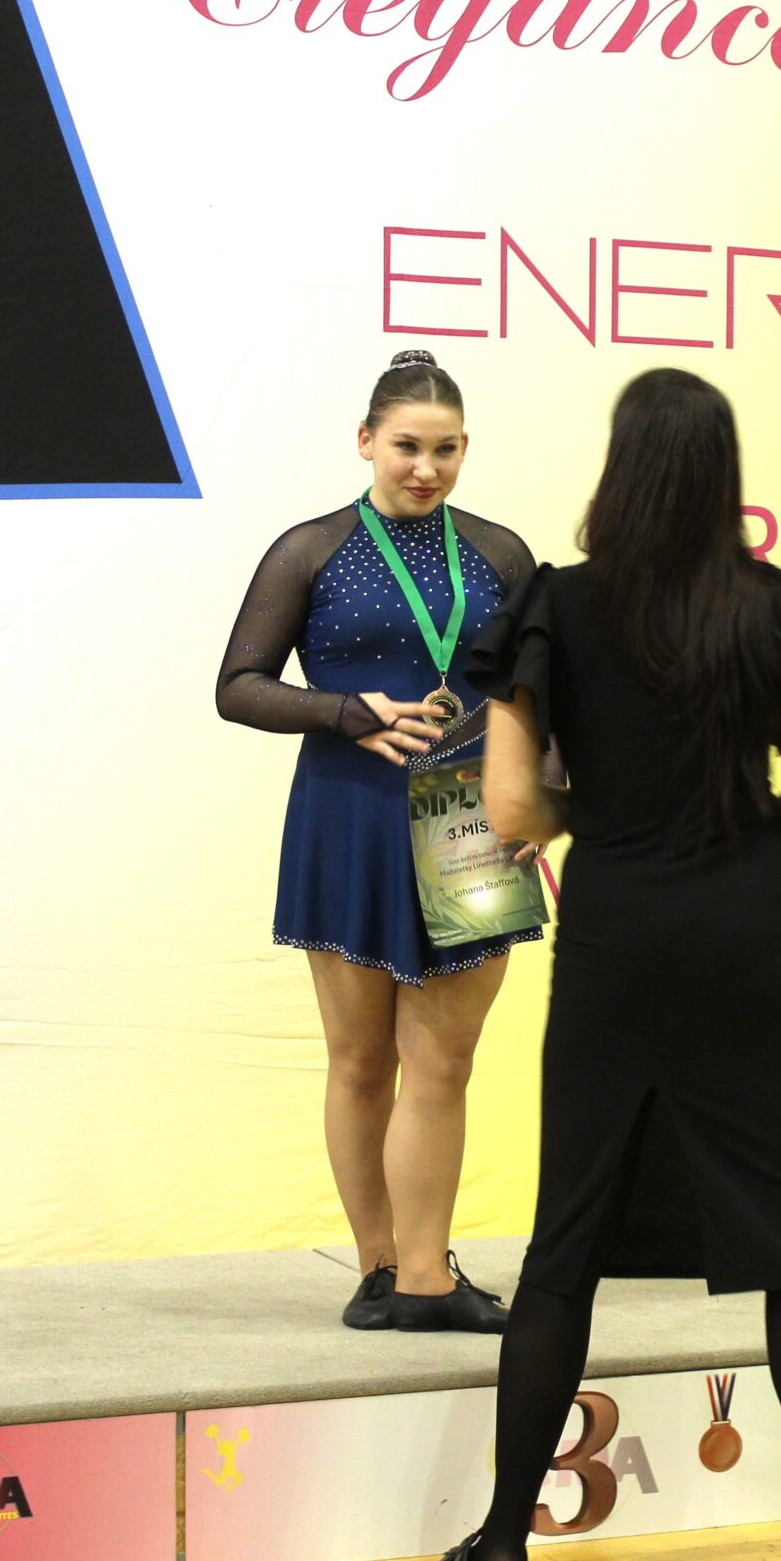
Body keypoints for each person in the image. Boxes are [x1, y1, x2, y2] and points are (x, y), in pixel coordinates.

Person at [436, 368, 781, 1561]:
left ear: (619, 468)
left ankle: (503, 1547)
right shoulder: (772, 608)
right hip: (748, 934)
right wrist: (741, 824)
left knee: (564, 1247)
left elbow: (509, 806)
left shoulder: (554, 608)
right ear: (724, 476)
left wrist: (604, 815)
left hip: (617, 935)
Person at [216, 349, 536, 1335]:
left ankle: (426, 1276)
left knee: (442, 1063)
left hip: (470, 818)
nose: (425, 469)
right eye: (406, 447)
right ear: (365, 441)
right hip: (347, 816)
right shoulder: (309, 549)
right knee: (361, 1062)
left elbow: (544, 694)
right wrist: (345, 711)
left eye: (446, 450)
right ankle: (378, 1267)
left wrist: (543, 792)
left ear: (465, 449)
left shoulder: (502, 554)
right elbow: (238, 686)